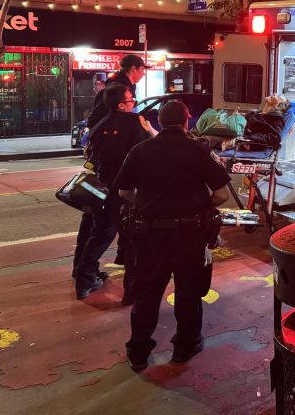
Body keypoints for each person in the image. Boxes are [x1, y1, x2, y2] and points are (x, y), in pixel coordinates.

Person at [114, 100, 230, 372]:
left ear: (159, 123)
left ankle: (139, 352)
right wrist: (200, 205)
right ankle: (185, 346)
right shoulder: (199, 151)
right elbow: (223, 194)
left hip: (149, 235)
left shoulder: (139, 151)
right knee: (189, 291)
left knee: (146, 293)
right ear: (187, 122)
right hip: (188, 235)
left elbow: (124, 193)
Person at [73, 84, 153, 300]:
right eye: (131, 100)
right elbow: (146, 151)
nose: (134, 103)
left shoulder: (99, 124)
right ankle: (131, 291)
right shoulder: (135, 122)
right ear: (121, 105)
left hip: (100, 187)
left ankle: (84, 280)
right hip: (124, 190)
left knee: (100, 233)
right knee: (131, 239)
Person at [86, 54, 149, 129]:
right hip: (111, 136)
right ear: (134, 68)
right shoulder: (117, 89)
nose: (143, 73)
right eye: (142, 69)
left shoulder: (127, 86)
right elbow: (97, 119)